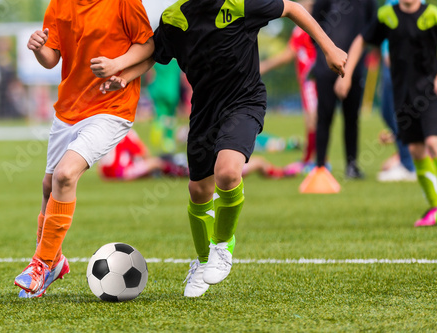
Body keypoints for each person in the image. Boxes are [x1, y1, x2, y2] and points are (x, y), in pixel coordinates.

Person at [99, 0, 347, 297]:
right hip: (203, 111)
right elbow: (154, 51)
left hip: (244, 102)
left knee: (228, 173)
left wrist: (330, 48)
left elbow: (293, 8)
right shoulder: (176, 17)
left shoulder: (241, 4)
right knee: (197, 191)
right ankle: (203, 261)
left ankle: (223, 246)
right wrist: (123, 77)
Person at [13, 0, 154, 298]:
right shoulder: (59, 3)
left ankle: (41, 263)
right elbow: (51, 59)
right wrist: (39, 46)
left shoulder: (125, 2)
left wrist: (117, 66)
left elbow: (149, 46)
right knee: (49, 186)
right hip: (68, 109)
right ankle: (55, 260)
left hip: (112, 106)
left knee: (65, 175)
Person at [334, 0, 437, 227]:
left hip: (430, 92)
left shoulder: (433, 15)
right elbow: (361, 41)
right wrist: (346, 74)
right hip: (403, 94)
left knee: (434, 142)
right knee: (416, 149)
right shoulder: (387, 15)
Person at [311, 0, 377, 179]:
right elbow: (313, 27)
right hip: (326, 69)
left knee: (352, 118)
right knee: (324, 118)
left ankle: (351, 166)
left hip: (354, 69)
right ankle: (320, 168)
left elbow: (370, 31)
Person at [98, 129, 292, 181]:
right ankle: (275, 171)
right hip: (176, 164)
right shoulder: (123, 131)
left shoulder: (114, 133)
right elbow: (147, 156)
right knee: (217, 170)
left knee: (221, 171)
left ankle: (275, 171)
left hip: (181, 165)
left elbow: (149, 159)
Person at [260, 0, 317, 172]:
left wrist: (265, 65)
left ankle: (312, 161)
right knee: (312, 118)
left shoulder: (308, 27)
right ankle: (312, 159)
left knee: (313, 118)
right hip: (307, 80)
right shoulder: (300, 29)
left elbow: (287, 55)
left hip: (311, 80)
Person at [375, 0, 418, 183]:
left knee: (400, 113)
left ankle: (408, 166)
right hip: (387, 64)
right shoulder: (389, 5)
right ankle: (405, 156)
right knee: (386, 112)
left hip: (401, 64)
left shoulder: (414, 4)